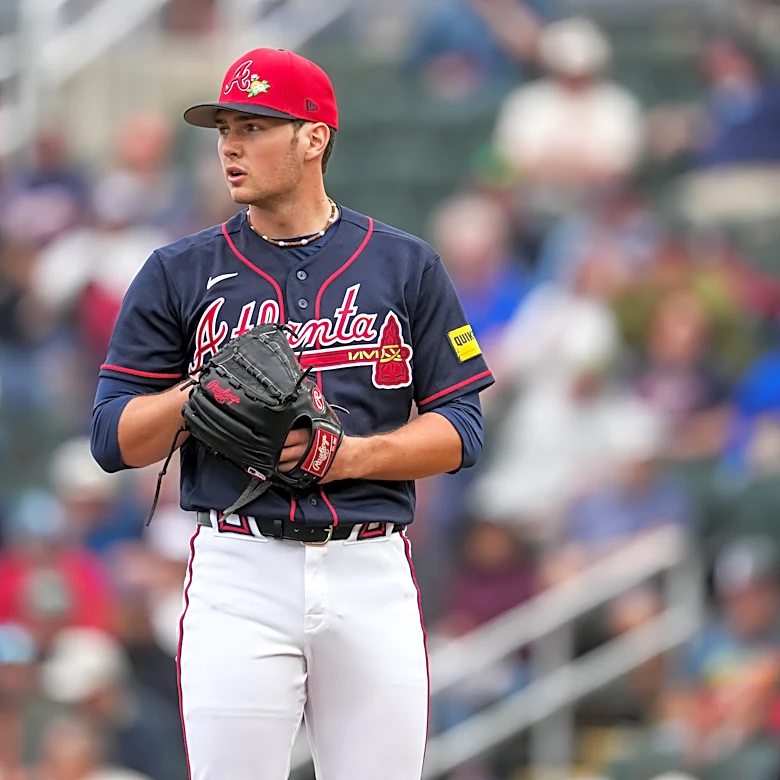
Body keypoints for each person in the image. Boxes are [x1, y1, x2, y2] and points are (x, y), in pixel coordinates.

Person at [90, 47, 494, 780]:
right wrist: (198, 396)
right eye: (224, 130)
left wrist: (353, 457)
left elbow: (462, 427)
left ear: (313, 138)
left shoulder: (406, 265)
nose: (230, 147)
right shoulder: (178, 271)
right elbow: (111, 439)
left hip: (370, 565)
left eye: (253, 127)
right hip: (240, 567)